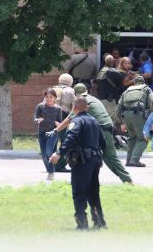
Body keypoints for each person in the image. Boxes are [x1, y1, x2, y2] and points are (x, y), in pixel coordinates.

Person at [47, 83, 133, 184]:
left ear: (75, 94)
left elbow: (69, 119)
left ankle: (78, 179)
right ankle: (127, 180)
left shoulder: (80, 101)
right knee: (110, 156)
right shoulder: (93, 98)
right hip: (108, 128)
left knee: (80, 152)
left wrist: (56, 130)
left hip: (98, 129)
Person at [49, 97, 107, 230]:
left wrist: (58, 153)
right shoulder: (94, 121)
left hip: (82, 161)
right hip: (95, 160)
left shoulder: (76, 121)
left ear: (74, 108)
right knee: (93, 191)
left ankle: (82, 224)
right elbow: (104, 143)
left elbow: (70, 138)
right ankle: (99, 221)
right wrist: (98, 157)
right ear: (86, 107)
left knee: (79, 191)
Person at [115, 75, 153, 167]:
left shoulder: (127, 90)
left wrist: (122, 122)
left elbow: (117, 110)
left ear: (134, 82)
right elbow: (151, 105)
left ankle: (128, 160)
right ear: (143, 82)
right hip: (138, 115)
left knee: (132, 137)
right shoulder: (146, 89)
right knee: (143, 138)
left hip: (126, 116)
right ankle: (134, 160)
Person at [34, 88, 63, 180]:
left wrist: (58, 124)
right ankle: (50, 169)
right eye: (47, 97)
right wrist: (37, 120)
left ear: (55, 98)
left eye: (51, 97)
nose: (49, 99)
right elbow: (35, 117)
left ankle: (51, 173)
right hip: (42, 133)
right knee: (44, 155)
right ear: (44, 97)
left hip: (53, 133)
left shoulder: (58, 109)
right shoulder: (40, 106)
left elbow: (60, 122)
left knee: (48, 152)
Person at [51, 73, 76, 172]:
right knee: (65, 141)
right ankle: (60, 165)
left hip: (50, 116)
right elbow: (74, 107)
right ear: (70, 81)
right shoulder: (71, 91)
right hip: (63, 117)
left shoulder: (52, 89)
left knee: (52, 141)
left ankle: (50, 163)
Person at [96, 54, 123, 127]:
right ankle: (111, 133)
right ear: (112, 62)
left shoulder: (101, 70)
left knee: (103, 116)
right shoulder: (113, 71)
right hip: (110, 98)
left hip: (101, 97)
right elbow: (122, 80)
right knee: (112, 117)